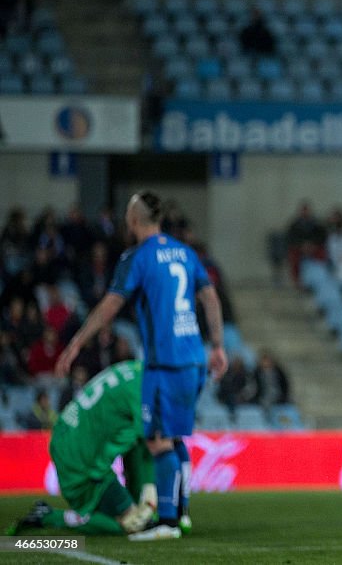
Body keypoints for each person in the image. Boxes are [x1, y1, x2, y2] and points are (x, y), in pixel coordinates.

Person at [57, 191, 227, 541]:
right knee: (175, 438)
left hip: (164, 363)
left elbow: (110, 306)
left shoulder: (137, 257)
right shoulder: (185, 252)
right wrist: (219, 345)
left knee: (157, 441)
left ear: (133, 220)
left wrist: (77, 342)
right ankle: (179, 514)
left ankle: (165, 523)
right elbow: (210, 296)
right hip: (194, 359)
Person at [7, 361, 157, 537]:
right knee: (129, 525)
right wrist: (149, 488)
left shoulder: (133, 369)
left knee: (135, 518)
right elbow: (149, 441)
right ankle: (49, 516)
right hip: (81, 456)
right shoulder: (142, 389)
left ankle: (137, 507)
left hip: (71, 439)